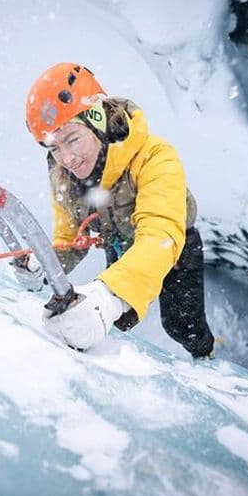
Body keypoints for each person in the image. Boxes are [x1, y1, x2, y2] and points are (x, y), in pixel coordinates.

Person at [15, 62, 214, 358]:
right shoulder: (64, 175)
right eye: (54, 148)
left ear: (96, 119)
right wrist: (44, 263)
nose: (66, 158)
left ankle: (206, 357)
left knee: (182, 324)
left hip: (175, 245)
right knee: (113, 319)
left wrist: (110, 295)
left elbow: (160, 235)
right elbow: (71, 238)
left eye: (72, 139)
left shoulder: (156, 158)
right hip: (118, 240)